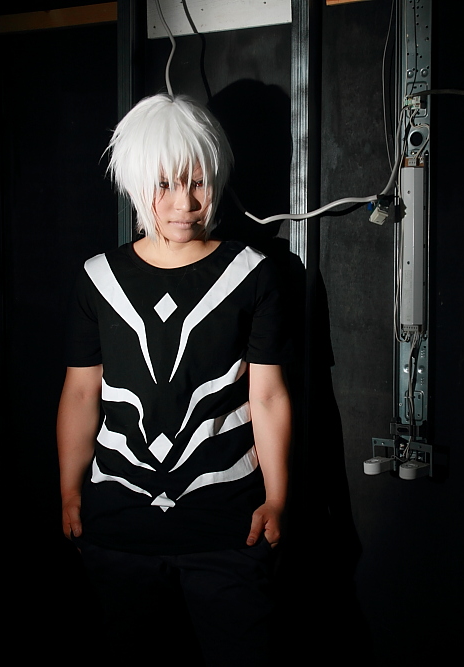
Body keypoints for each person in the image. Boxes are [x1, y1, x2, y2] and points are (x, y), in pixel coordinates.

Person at [56, 93, 291, 665]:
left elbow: (267, 395)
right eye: (163, 184)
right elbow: (82, 392)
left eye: (198, 182)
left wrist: (277, 498)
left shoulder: (253, 273)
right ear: (137, 183)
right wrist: (69, 491)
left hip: (227, 527)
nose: (184, 203)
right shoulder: (98, 278)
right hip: (119, 528)